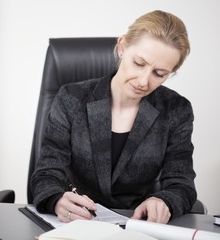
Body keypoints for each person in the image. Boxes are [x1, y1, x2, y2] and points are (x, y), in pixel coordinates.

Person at [30, 10, 197, 224]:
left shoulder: (176, 109)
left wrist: (165, 201)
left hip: (137, 225)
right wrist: (55, 200)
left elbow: (182, 184)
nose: (144, 81)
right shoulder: (71, 98)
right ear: (122, 46)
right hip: (73, 223)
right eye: (139, 63)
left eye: (159, 74)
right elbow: (46, 173)